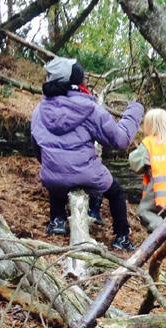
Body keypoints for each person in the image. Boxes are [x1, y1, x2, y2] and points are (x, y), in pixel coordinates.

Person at [30, 56, 143, 251]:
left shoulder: (39, 109)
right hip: (87, 175)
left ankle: (57, 220)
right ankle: (122, 237)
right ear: (76, 82)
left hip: (51, 176)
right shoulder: (90, 108)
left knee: (57, 174)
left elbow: (37, 146)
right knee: (116, 192)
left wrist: (48, 163)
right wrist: (135, 111)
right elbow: (120, 140)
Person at [128, 108, 166, 256]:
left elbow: (135, 163)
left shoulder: (149, 143)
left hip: (157, 188)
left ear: (151, 126)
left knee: (145, 212)